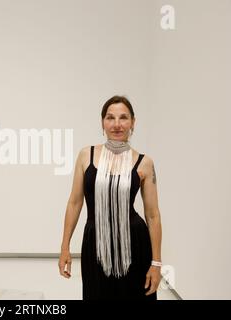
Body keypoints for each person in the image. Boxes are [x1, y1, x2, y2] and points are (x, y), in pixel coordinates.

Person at [58, 95, 162, 300]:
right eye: (110, 117)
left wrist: (156, 263)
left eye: (123, 118)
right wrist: (64, 247)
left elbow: (153, 215)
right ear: (102, 122)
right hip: (95, 245)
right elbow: (75, 202)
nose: (116, 124)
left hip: (134, 247)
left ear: (133, 122)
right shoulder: (85, 155)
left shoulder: (144, 163)